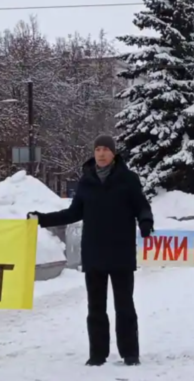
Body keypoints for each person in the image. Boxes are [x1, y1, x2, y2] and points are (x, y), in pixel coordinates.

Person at [29, 135, 153, 366]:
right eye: (98, 149)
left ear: (114, 153)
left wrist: (146, 222)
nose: (102, 153)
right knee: (95, 307)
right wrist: (41, 219)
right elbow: (73, 213)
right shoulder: (87, 182)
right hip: (94, 253)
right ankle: (97, 354)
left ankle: (130, 353)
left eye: (106, 149)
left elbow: (141, 206)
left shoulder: (128, 179)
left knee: (124, 305)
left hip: (121, 252)